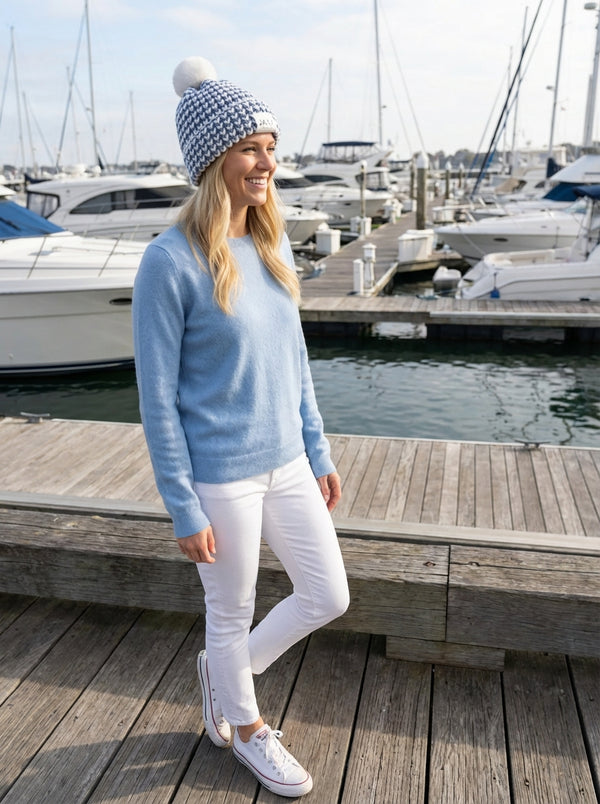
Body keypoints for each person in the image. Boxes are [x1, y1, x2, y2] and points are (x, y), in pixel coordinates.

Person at [132, 56, 350, 799]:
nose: (268, 162)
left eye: (271, 146)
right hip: (218, 474)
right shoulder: (168, 263)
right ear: (214, 159)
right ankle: (249, 731)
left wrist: (316, 447)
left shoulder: (274, 242)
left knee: (327, 595)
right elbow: (157, 400)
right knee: (229, 610)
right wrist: (182, 505)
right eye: (252, 147)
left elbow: (295, 363)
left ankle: (226, 674)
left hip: (286, 461)